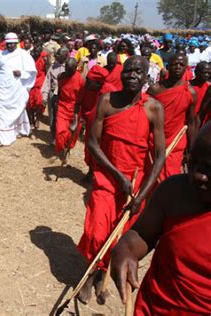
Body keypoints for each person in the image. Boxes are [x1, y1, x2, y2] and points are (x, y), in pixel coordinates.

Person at [76, 56, 166, 304]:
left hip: (135, 184)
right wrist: (116, 175)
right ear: (121, 73)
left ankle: (100, 278)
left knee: (118, 236)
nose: (133, 76)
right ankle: (89, 274)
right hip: (107, 176)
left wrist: (143, 194)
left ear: (147, 77)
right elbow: (93, 144)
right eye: (129, 71)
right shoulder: (106, 101)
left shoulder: (154, 109)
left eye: (139, 72)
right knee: (96, 231)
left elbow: (159, 157)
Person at [111, 123, 211, 315]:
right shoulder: (174, 192)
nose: (199, 176)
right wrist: (125, 249)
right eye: (193, 163)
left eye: (210, 169)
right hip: (153, 308)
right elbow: (141, 234)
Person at [147, 54, 197, 182]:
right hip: (154, 140)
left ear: (186, 68)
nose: (178, 67)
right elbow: (145, 117)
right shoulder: (155, 89)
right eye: (175, 64)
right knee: (150, 175)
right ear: (168, 66)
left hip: (175, 141)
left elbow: (191, 122)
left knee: (170, 177)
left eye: (182, 65)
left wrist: (191, 149)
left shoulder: (189, 92)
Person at [0, 32, 37, 147]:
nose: (10, 46)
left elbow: (32, 72)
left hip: (16, 90)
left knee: (17, 110)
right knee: (1, 113)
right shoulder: (0, 55)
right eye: (8, 44)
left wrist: (21, 73)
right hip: (2, 90)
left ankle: (19, 130)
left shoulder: (23, 55)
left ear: (16, 43)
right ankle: (2, 138)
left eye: (12, 44)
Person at [55, 58, 85, 158]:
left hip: (75, 108)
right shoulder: (61, 76)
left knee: (73, 133)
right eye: (66, 68)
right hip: (62, 106)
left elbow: (82, 98)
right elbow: (59, 91)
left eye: (70, 69)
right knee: (60, 132)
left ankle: (68, 148)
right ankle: (62, 148)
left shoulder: (81, 80)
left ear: (75, 68)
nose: (67, 71)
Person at [41, 46, 69, 143]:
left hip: (65, 96)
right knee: (52, 117)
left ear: (66, 56)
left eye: (59, 56)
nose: (57, 57)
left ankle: (63, 138)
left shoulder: (70, 66)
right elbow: (47, 82)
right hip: (53, 95)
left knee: (62, 119)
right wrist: (44, 97)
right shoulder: (53, 67)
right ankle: (54, 138)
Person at [27, 46, 49, 130]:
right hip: (31, 82)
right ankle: (31, 120)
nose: (35, 53)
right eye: (34, 52)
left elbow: (47, 71)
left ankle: (38, 119)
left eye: (37, 52)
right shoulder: (28, 59)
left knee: (39, 102)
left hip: (40, 82)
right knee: (30, 103)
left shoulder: (44, 59)